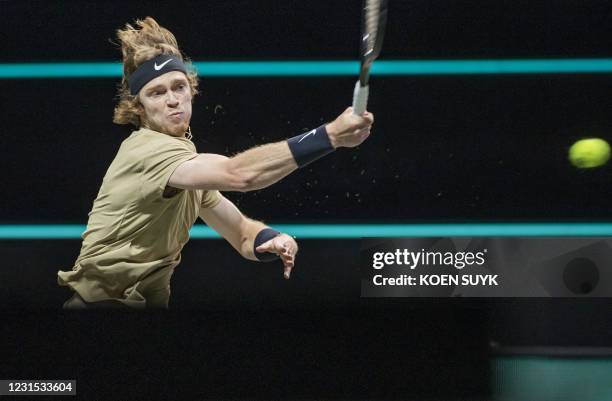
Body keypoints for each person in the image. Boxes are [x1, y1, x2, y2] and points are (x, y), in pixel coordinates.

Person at [58, 17, 374, 309]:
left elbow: (241, 233)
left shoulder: (187, 170)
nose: (172, 99)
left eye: (178, 87)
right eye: (156, 93)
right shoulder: (147, 152)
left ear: (190, 91)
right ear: (138, 108)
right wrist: (329, 135)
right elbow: (239, 175)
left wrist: (270, 238)